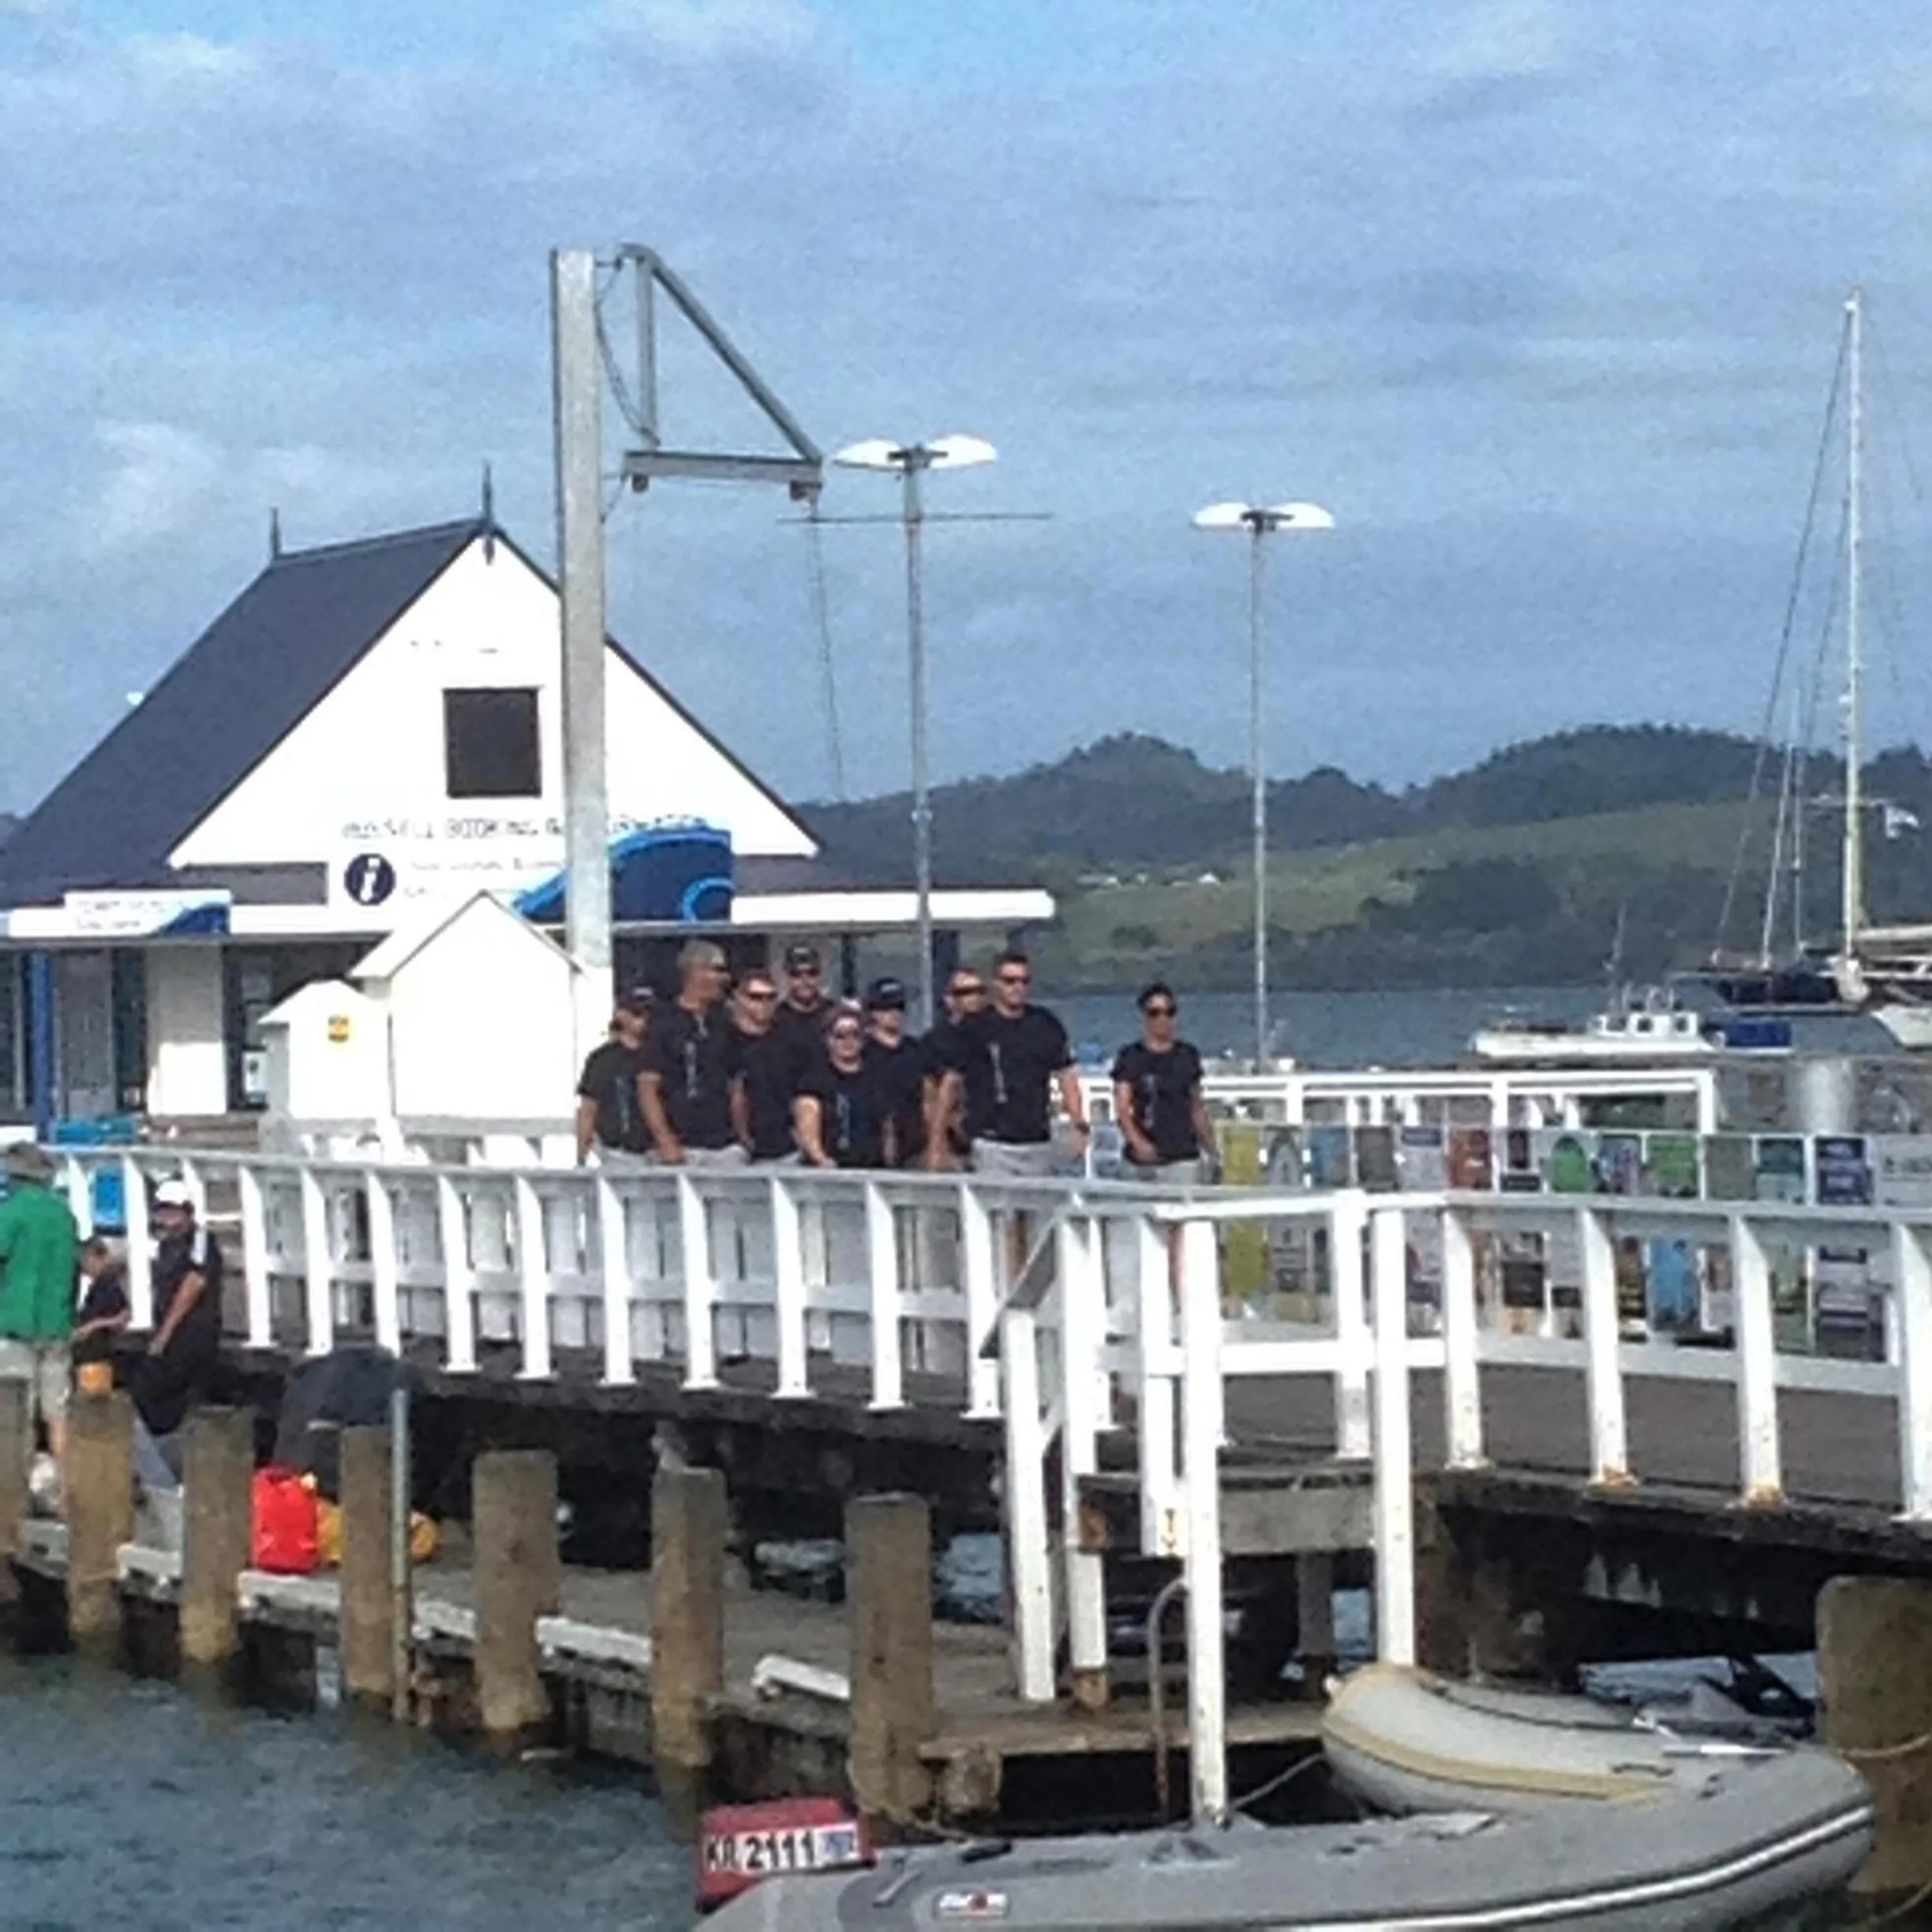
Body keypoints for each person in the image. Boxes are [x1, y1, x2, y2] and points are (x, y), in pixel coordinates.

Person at [932, 949, 1088, 1177]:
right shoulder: (974, 1027)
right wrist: (938, 1142)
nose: (1017, 987)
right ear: (996, 983)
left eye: (1024, 981)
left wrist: (1078, 1123)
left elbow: (1067, 1076)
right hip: (991, 1143)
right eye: (1010, 981)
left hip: (1036, 1142)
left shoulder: (1045, 1025)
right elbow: (951, 1084)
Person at [129, 1179, 223, 1488]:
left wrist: (165, 1333)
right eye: (162, 1210)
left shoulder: (201, 1240)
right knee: (162, 1408)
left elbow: (193, 1285)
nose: (167, 1217)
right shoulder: (166, 1245)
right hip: (172, 1338)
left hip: (192, 1337)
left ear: (188, 1212)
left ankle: (162, 1481)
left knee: (143, 1396)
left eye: (173, 1211)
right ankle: (167, 1474)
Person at [0, 1142, 78, 1465]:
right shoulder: (64, 1216)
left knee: (17, 1412)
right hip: (56, 1324)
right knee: (58, 1412)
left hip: (15, 1324)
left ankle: (15, 1483)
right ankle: (67, 1481)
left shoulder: (9, 1213)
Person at [641, 938, 745, 1166]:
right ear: (695, 971)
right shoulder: (663, 1021)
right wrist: (664, 1139)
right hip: (679, 1146)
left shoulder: (724, 1021)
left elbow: (735, 1084)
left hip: (723, 1147)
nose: (724, 978)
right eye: (717, 970)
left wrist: (743, 1136)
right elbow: (648, 1086)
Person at [1111, 982, 1217, 1181]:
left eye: (1169, 1012)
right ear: (1145, 1017)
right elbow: (1122, 1108)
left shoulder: (1187, 1055)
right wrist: (1138, 1143)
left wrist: (1212, 1148)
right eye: (1155, 1013)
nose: (1162, 1019)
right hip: (1141, 1160)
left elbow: (1196, 1106)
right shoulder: (1131, 1057)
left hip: (1182, 1156)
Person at [796, 1007, 893, 1168]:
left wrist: (889, 1163)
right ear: (828, 1040)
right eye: (840, 1035)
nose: (848, 1041)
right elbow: (807, 1130)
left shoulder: (877, 1077)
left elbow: (886, 1127)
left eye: (855, 1034)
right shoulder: (814, 1080)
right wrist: (822, 1160)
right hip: (829, 1170)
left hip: (872, 1168)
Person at [730, 967, 799, 1164]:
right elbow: (734, 1093)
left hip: (785, 1150)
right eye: (756, 997)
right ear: (740, 998)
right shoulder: (725, 1040)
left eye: (770, 997)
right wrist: (743, 1137)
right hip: (736, 1151)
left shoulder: (789, 1041)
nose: (764, 1003)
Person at [574, 993, 652, 1165]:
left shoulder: (662, 1054)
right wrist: (581, 1157)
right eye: (638, 1013)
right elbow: (588, 1109)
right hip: (617, 1152)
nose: (645, 1019)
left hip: (659, 1151)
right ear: (621, 1016)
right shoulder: (602, 1059)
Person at [923, 968, 988, 1166]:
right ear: (949, 999)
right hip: (955, 1139)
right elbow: (930, 1094)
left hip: (993, 1136)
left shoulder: (995, 1034)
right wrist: (938, 1145)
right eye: (965, 992)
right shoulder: (936, 1041)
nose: (974, 998)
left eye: (979, 991)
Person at [862, 977, 927, 1168]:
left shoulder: (916, 1050)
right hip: (871, 1149)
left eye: (900, 1007)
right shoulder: (862, 1052)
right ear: (873, 1011)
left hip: (914, 1148)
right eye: (887, 1007)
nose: (895, 1013)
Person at [71, 1237, 130, 1387]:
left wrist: (92, 1326)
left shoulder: (118, 1279)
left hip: (108, 1346)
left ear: (95, 1256)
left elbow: (127, 1314)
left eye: (85, 1262)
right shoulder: (100, 1282)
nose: (84, 1271)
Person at [770, 942, 836, 1076]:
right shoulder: (774, 1018)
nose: (805, 981)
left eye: (812, 973)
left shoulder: (834, 1015)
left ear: (820, 975)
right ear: (786, 977)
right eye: (796, 974)